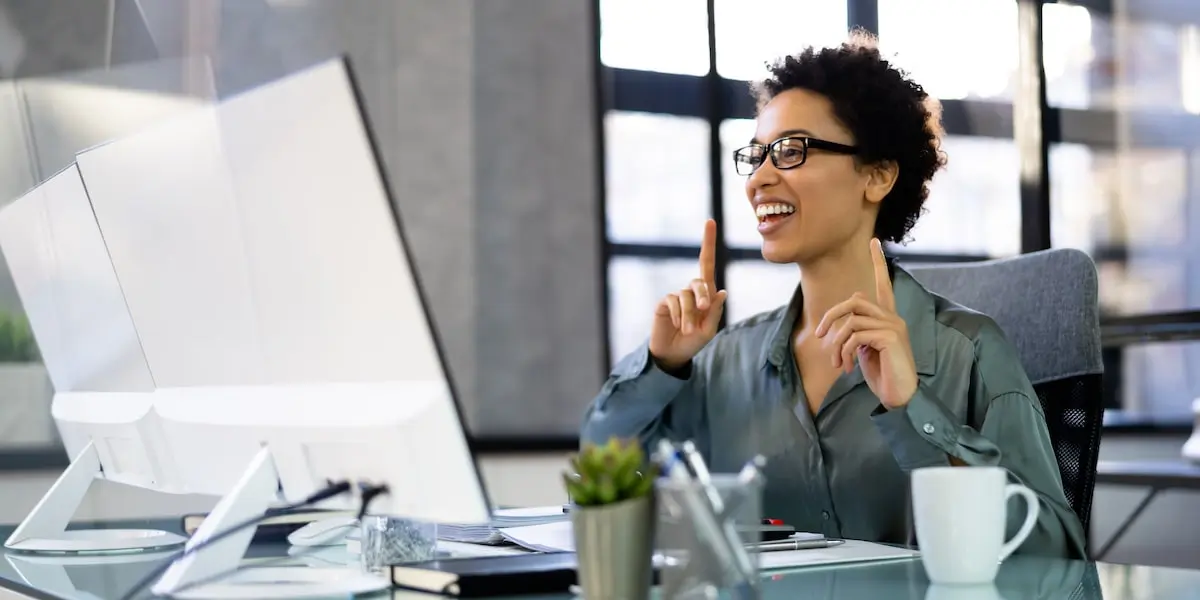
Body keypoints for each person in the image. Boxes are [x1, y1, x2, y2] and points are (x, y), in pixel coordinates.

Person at [580, 31, 1086, 559]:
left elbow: (1055, 556)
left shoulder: (969, 352)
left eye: (791, 151)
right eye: (756, 155)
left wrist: (912, 408)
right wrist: (660, 366)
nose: (759, 179)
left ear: (878, 175)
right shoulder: (723, 360)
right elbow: (606, 477)